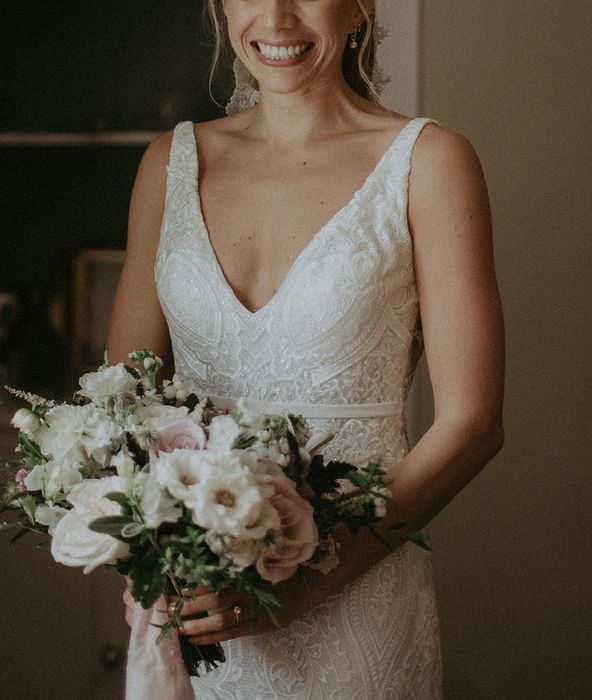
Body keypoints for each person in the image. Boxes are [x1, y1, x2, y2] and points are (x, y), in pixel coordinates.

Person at [107, 0, 505, 697]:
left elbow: (473, 424)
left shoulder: (431, 162)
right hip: (202, 605)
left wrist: (312, 581)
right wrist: (151, 552)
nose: (278, 16)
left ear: (359, 9)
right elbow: (122, 400)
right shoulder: (169, 163)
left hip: (358, 598)